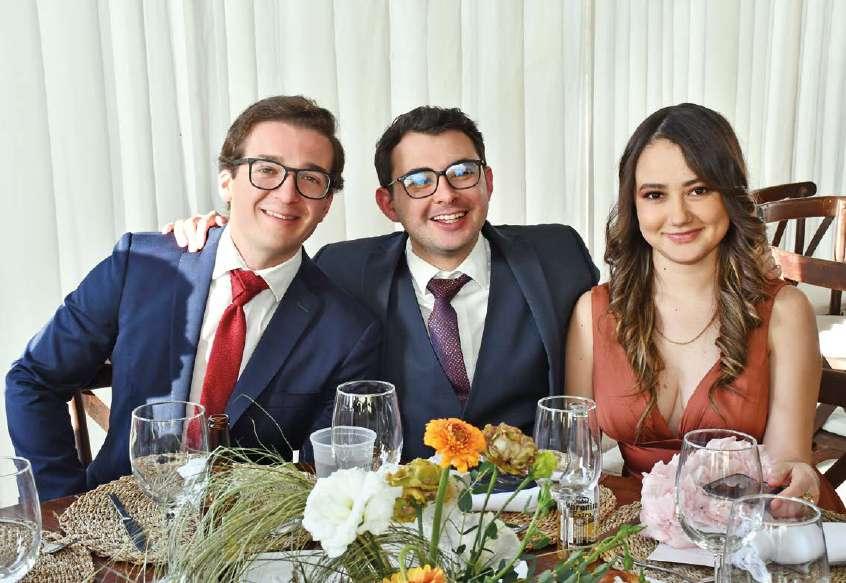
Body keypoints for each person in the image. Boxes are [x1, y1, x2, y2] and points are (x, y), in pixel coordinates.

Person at [167, 106, 599, 460]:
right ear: (388, 203)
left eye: (462, 172)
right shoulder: (339, 270)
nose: (445, 194)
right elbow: (262, 266)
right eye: (418, 181)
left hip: (533, 509)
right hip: (395, 515)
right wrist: (219, 233)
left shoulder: (558, 256)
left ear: (486, 181)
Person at [6, 96, 381, 500]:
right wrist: (65, 503)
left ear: (326, 203)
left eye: (310, 178)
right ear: (227, 181)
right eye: (266, 169)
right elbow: (33, 380)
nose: (287, 193)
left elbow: (326, 482)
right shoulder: (141, 266)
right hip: (114, 515)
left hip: (246, 528)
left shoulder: (346, 332)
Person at [564, 102, 844, 511]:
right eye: (655, 195)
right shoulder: (593, 312)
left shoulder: (786, 311)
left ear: (729, 195)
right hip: (630, 520)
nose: (678, 215)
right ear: (634, 206)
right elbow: (575, 460)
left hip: (750, 516)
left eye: (699, 190)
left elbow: (786, 461)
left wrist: (796, 475)